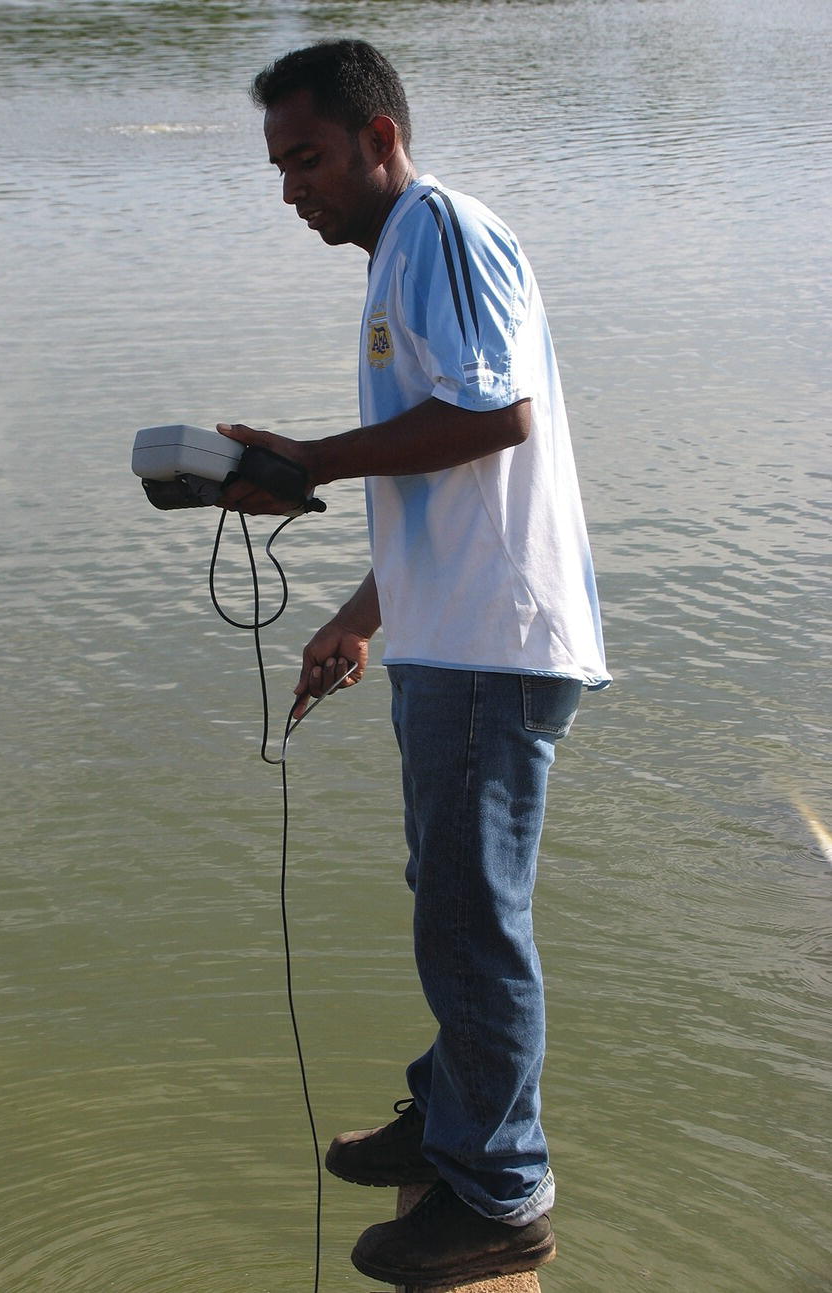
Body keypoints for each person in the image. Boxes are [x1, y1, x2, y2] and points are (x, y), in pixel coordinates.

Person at [216, 38, 610, 1289]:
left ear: (380, 139)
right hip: (459, 637)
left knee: (469, 916)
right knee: (449, 896)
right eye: (280, 167)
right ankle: (454, 1122)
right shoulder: (407, 253)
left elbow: (497, 416)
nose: (293, 190)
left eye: (310, 158)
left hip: (494, 646)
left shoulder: (434, 229)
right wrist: (360, 615)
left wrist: (311, 463)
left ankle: (498, 1194)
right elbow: (457, 475)